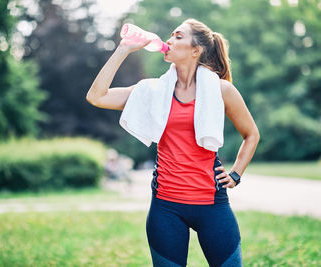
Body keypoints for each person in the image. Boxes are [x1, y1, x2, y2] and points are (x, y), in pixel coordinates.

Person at [86, 18, 260, 267]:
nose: (168, 40)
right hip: (166, 207)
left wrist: (236, 174)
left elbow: (251, 134)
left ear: (195, 50)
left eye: (178, 36)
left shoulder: (221, 90)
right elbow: (96, 96)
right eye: (171, 35)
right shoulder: (153, 91)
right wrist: (123, 49)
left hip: (212, 205)